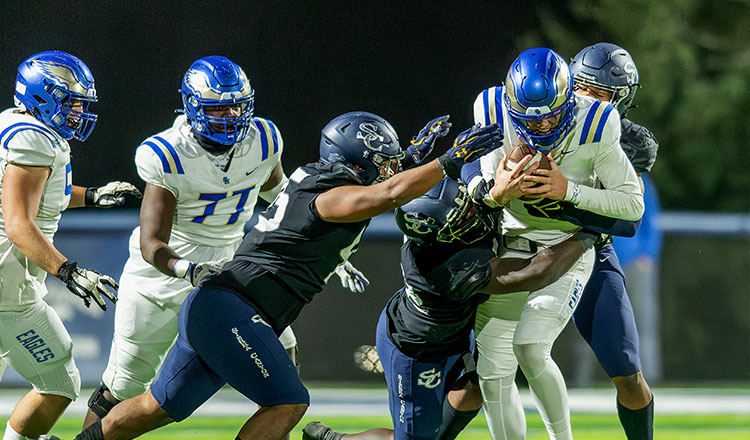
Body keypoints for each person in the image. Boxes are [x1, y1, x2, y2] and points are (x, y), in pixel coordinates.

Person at [70, 111, 503, 440]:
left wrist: (410, 156)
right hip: (234, 309)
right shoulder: (333, 196)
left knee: (155, 406)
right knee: (289, 401)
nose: (390, 166)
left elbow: (379, 186)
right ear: (356, 162)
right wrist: (447, 161)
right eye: (382, 159)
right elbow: (385, 192)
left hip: (222, 306)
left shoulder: (318, 177)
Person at [80, 55, 354, 429]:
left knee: (284, 362)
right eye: (218, 108)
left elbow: (283, 198)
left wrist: (324, 248)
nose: (229, 117)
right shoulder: (167, 153)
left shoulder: (264, 138)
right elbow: (151, 242)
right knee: (123, 385)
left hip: (229, 277)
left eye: (236, 107)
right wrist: (187, 270)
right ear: (193, 107)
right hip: (158, 281)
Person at [438, 43, 659, 440]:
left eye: (603, 94)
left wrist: (569, 192)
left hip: (582, 247)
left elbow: (627, 219)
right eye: (585, 88)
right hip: (512, 242)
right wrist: (489, 188)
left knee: (624, 369)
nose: (591, 98)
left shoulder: (613, 134)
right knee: (480, 373)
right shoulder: (502, 110)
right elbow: (469, 160)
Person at [302, 177, 599, 440]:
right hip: (417, 352)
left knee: (476, 389)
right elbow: (537, 272)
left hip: (452, 332)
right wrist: (590, 233)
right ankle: (334, 439)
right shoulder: (448, 268)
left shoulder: (436, 231)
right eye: (460, 212)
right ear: (442, 233)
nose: (470, 211)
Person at [0, 51, 140, 440]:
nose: (78, 112)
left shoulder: (16, 125)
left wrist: (91, 196)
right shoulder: (33, 140)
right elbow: (17, 224)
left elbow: (40, 194)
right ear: (43, 96)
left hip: (7, 280)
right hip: (7, 287)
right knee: (59, 380)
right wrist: (68, 270)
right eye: (71, 101)